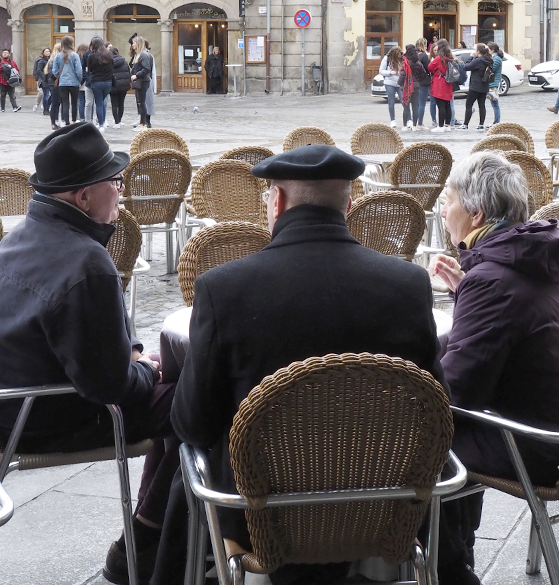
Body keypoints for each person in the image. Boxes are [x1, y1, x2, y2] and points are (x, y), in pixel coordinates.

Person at [146, 144, 445, 585]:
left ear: (278, 202)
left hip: (259, 515)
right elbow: (434, 410)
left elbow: (192, 423)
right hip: (381, 508)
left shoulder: (224, 289)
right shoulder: (408, 285)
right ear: (347, 203)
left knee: (186, 459)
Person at [0, 123, 179, 585]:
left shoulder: (22, 236)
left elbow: (82, 339)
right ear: (84, 197)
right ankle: (153, 547)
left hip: (9, 409)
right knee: (201, 400)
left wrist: (133, 355)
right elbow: (110, 387)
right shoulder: (87, 262)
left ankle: (144, 539)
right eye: (116, 182)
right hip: (52, 419)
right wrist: (145, 370)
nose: (122, 191)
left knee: (178, 389)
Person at [428, 152, 559, 584]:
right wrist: (469, 294)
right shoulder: (536, 254)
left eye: (446, 200)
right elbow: (515, 330)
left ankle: (449, 568)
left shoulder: (494, 280)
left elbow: (459, 394)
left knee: (423, 438)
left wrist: (399, 389)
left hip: (545, 446)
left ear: (476, 213)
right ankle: (454, 556)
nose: (441, 210)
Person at [460, 43, 497, 131]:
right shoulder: (489, 59)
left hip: (475, 86)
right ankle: (481, 124)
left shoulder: (478, 60)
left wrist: (471, 57)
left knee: (469, 104)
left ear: (478, 51)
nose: (474, 51)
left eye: (475, 50)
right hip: (484, 85)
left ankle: (465, 124)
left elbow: (466, 67)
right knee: (482, 105)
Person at [427, 40, 455, 133]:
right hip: (448, 83)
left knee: (440, 105)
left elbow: (430, 67)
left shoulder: (439, 58)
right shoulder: (450, 57)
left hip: (439, 83)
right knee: (447, 105)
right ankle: (447, 125)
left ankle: (440, 126)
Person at [87, 40, 114, 131]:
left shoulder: (91, 56)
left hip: (96, 81)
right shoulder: (109, 55)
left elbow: (89, 69)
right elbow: (112, 67)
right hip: (108, 82)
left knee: (99, 103)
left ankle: (101, 123)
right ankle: (102, 122)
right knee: (102, 101)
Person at [56, 35, 84, 125]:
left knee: (65, 102)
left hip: (63, 83)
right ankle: (74, 120)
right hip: (74, 82)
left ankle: (66, 121)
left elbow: (55, 70)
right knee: (74, 102)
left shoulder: (58, 56)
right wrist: (79, 79)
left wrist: (59, 77)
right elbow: (79, 70)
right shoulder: (74, 55)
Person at [129, 35, 152, 130]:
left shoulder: (143, 55)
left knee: (141, 102)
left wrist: (136, 75)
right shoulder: (137, 55)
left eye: (134, 43)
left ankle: (143, 124)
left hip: (143, 81)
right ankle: (142, 123)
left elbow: (146, 69)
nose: (132, 44)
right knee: (140, 102)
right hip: (139, 81)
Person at [379, 46, 404, 127]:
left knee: (404, 101)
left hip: (400, 83)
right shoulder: (387, 59)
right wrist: (390, 73)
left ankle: (409, 119)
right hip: (389, 82)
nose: (399, 56)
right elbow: (381, 71)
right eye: (398, 54)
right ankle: (392, 120)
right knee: (391, 101)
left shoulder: (402, 59)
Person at [401, 44, 424, 132]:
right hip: (416, 86)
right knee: (415, 107)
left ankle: (404, 126)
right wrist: (418, 81)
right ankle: (414, 125)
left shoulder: (405, 62)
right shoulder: (418, 63)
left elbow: (402, 75)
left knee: (406, 106)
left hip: (406, 86)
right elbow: (423, 73)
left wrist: (400, 84)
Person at [109, 44, 131, 129]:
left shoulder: (109, 62)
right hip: (123, 86)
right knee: (121, 103)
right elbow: (128, 72)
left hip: (113, 86)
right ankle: (120, 120)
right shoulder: (124, 61)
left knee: (114, 104)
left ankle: (116, 122)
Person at [485, 43, 505, 125]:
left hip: (494, 83)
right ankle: (496, 121)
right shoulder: (494, 57)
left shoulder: (496, 58)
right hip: (492, 83)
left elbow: (492, 69)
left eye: (488, 49)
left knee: (495, 104)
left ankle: (497, 122)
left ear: (492, 50)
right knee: (494, 104)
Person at [33, 47, 51, 113]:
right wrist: (43, 77)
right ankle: (45, 109)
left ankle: (47, 106)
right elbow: (38, 70)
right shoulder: (41, 60)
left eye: (48, 51)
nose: (48, 52)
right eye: (46, 51)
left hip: (50, 80)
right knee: (45, 94)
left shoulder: (50, 60)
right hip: (44, 80)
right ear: (43, 52)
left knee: (51, 95)